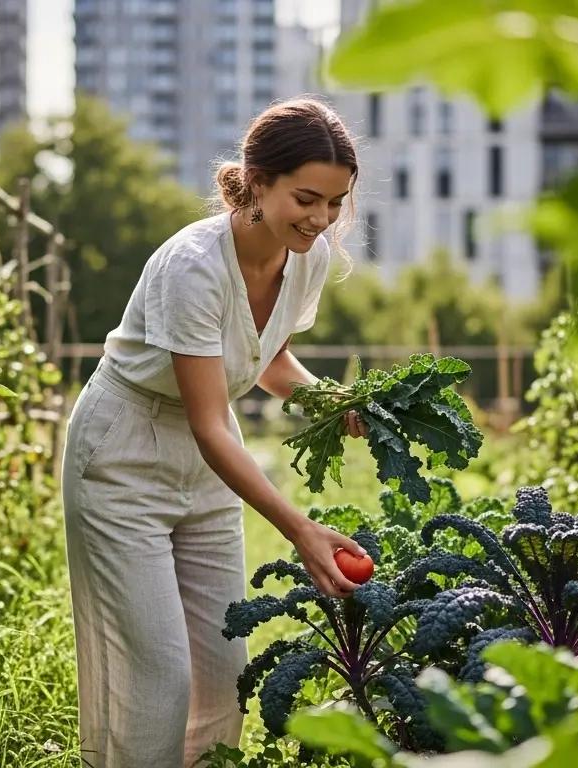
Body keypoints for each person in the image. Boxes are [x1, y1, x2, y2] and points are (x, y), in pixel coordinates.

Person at [60, 97, 370, 768]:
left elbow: (265, 356)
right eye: (306, 198)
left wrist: (330, 402)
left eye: (335, 204)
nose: (320, 220)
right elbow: (208, 422)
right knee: (158, 683)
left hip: (206, 464)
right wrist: (301, 530)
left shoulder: (305, 256)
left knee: (225, 675)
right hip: (125, 453)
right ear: (258, 183)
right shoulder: (194, 266)